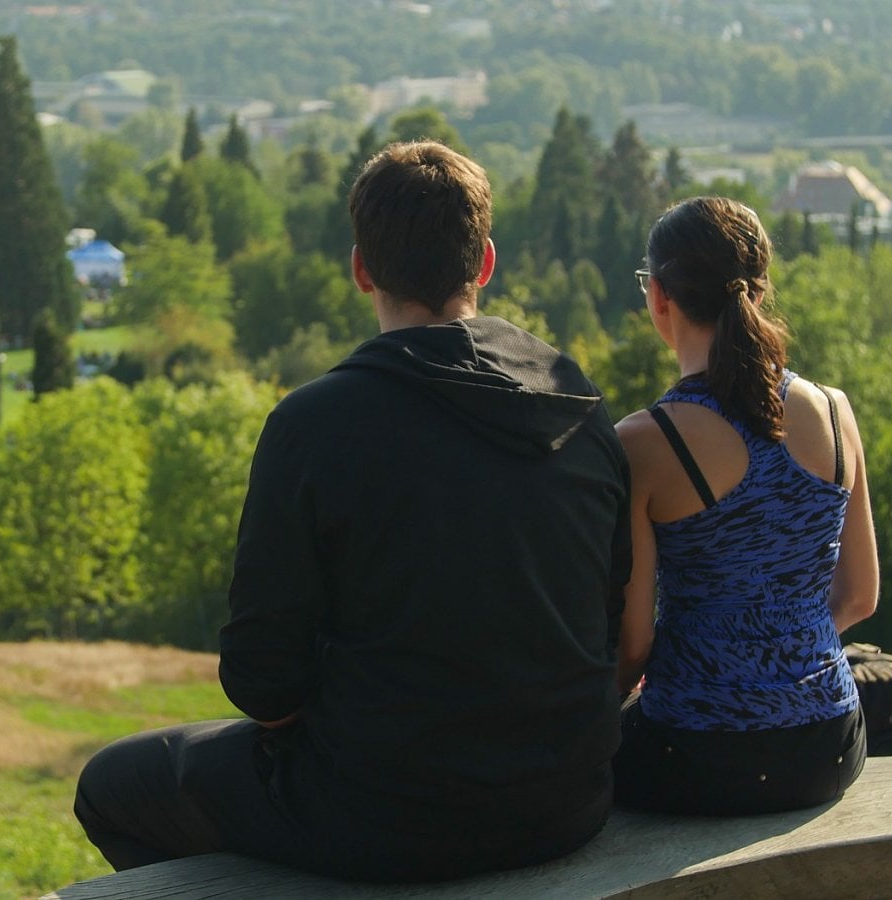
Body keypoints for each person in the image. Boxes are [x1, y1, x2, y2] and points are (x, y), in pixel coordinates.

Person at [73, 141, 632, 882]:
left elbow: (262, 683)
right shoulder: (578, 405)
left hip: (386, 810)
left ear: (361, 268)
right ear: (486, 263)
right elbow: (612, 622)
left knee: (110, 788)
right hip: (566, 799)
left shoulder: (314, 426)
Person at [611, 196, 879, 815]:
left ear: (659, 298)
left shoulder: (645, 442)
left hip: (698, 753)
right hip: (831, 747)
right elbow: (860, 597)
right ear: (760, 290)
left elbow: (632, 646)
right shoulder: (836, 413)